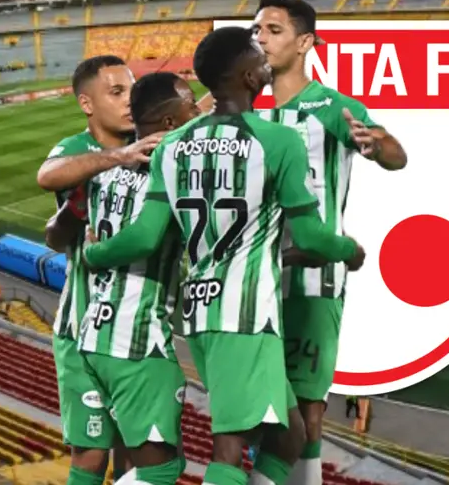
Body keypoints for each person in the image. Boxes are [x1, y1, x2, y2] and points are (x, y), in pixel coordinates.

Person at [82, 26, 367, 485]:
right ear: (247, 75)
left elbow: (144, 237)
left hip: (201, 309)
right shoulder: (277, 142)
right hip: (244, 314)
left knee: (288, 435)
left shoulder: (172, 147)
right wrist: (348, 250)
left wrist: (96, 253)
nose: (264, 60)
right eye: (257, 55)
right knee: (229, 449)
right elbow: (313, 236)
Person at [251, 0, 408, 485]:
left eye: (274, 30)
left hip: (314, 280)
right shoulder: (241, 108)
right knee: (258, 412)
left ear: (304, 43)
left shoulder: (332, 107)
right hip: (252, 280)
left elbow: (396, 154)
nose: (261, 38)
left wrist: (375, 144)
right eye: (257, 29)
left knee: (308, 412)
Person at [50, 71, 202, 485]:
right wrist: (97, 252)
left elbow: (58, 231)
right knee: (161, 467)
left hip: (91, 333)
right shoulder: (165, 163)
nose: (198, 113)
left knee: (100, 458)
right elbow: (146, 237)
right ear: (170, 122)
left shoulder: (103, 172)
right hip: (137, 337)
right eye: (191, 107)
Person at [35, 55, 165, 485]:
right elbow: (49, 189)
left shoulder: (153, 145)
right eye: (116, 92)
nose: (130, 100)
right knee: (90, 455)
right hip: (79, 327)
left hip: (138, 331)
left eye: (132, 89)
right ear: (87, 104)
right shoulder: (76, 152)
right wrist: (116, 159)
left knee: (137, 456)